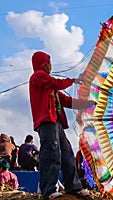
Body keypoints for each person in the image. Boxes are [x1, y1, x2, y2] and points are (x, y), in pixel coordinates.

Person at [29, 51, 96, 199]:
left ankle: (73, 186)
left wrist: (87, 104)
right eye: (49, 62)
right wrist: (72, 81)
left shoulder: (51, 88)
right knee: (51, 154)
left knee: (67, 154)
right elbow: (54, 82)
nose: (51, 66)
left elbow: (67, 101)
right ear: (44, 64)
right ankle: (49, 190)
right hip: (47, 122)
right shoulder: (38, 77)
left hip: (56, 122)